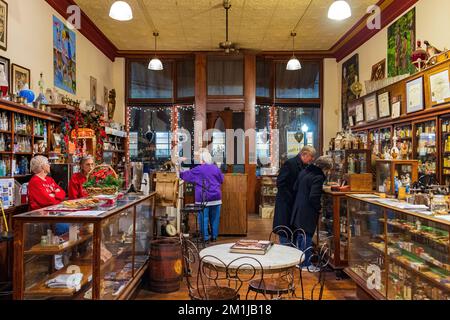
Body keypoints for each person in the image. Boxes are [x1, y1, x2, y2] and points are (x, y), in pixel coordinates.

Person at [290, 156, 333, 271]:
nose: (328, 173)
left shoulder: (305, 171)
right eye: (328, 170)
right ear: (325, 168)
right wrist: (319, 208)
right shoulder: (318, 176)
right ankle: (306, 264)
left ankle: (300, 260)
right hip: (308, 210)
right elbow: (314, 196)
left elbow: (294, 187)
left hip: (298, 207)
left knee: (301, 235)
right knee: (307, 236)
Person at [178, 148, 224, 243]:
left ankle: (205, 238)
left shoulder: (198, 169)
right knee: (215, 219)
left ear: (202, 160)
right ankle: (214, 237)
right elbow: (221, 180)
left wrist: (178, 163)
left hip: (204, 198)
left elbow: (183, 175)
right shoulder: (216, 168)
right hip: (216, 197)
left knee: (204, 218)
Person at [273, 146, 316, 244]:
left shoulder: (305, 166)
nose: (312, 159)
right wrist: (290, 199)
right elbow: (280, 183)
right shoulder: (290, 163)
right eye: (311, 156)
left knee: (293, 233)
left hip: (294, 205)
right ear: (304, 154)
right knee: (285, 233)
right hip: (286, 205)